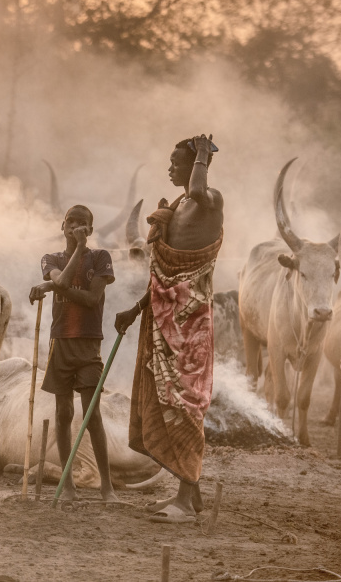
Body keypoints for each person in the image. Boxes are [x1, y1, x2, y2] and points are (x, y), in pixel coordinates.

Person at [114, 134, 224, 524]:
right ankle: (189, 498)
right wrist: (134, 309)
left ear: (197, 165)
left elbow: (198, 186)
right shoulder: (175, 208)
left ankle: (182, 498)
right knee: (167, 401)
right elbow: (161, 279)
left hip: (189, 326)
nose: (170, 169)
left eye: (177, 162)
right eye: (172, 162)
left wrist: (201, 157)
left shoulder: (210, 201)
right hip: (162, 320)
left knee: (185, 404)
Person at [29, 204, 118, 502]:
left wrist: (50, 286)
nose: (77, 226)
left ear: (90, 230)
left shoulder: (101, 257)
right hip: (61, 342)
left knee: (92, 415)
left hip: (89, 343)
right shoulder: (51, 258)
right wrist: (57, 280)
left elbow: (93, 300)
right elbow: (65, 281)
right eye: (72, 221)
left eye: (84, 224)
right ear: (63, 225)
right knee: (63, 412)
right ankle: (67, 485)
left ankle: (107, 487)